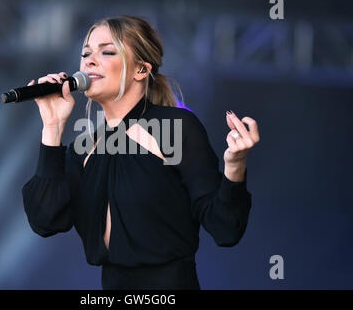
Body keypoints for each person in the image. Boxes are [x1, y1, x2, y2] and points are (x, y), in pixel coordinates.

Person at [22, 15, 260, 290]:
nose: (89, 61)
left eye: (107, 51)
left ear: (141, 70)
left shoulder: (175, 128)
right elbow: (46, 221)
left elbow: (225, 229)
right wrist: (52, 127)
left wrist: (235, 166)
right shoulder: (83, 149)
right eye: (85, 53)